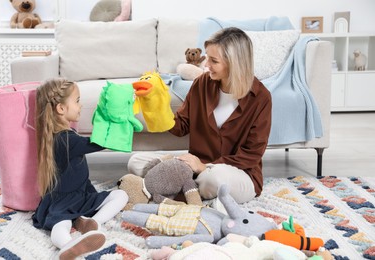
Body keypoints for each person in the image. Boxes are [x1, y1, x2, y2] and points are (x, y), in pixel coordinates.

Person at [128, 27, 272, 204]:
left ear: (234, 63)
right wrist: (157, 105)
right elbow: (181, 126)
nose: (206, 65)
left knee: (213, 179)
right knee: (136, 162)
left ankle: (174, 186)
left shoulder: (260, 97)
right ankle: (185, 186)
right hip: (197, 166)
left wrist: (204, 167)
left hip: (238, 173)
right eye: (207, 58)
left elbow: (251, 154)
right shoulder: (201, 84)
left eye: (214, 61)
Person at [33, 79, 128, 259]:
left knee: (120, 195)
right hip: (66, 201)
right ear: (61, 108)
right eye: (77, 101)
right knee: (61, 224)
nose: (80, 105)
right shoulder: (66, 140)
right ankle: (68, 245)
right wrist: (116, 118)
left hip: (79, 196)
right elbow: (100, 143)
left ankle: (90, 224)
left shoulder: (59, 136)